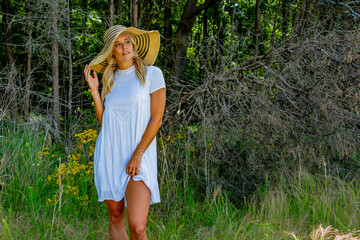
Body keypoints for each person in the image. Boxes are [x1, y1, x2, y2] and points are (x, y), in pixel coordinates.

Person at [84, 25, 166, 240]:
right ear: (112, 52)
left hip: (139, 155)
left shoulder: (152, 75)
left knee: (138, 226)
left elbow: (156, 120)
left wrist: (138, 154)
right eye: (117, 45)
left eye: (127, 42)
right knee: (116, 216)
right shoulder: (109, 80)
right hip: (110, 154)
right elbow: (106, 123)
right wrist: (94, 91)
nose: (123, 47)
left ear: (134, 45)